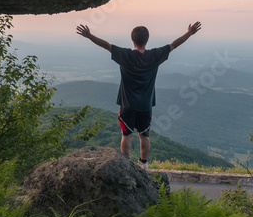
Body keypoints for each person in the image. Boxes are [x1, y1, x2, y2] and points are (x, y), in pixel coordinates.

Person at [76, 21, 202, 169]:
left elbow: (107, 46)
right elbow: (173, 45)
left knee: (126, 134)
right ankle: (143, 163)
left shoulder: (126, 55)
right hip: (146, 105)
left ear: (132, 39)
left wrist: (89, 35)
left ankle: (126, 164)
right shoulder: (154, 56)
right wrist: (189, 33)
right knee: (144, 135)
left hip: (127, 105)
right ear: (147, 39)